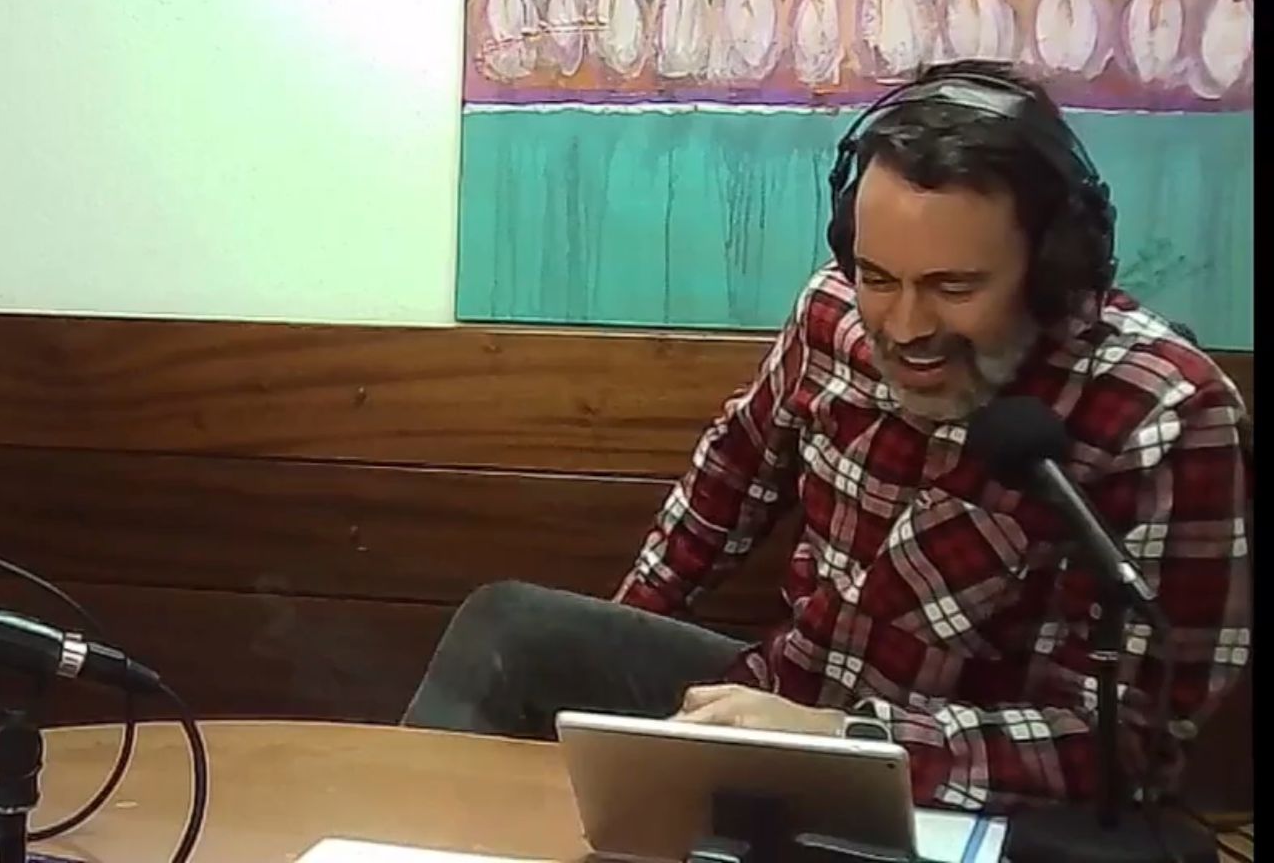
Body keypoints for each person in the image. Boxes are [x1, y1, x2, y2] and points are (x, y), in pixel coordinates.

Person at [402, 61, 1252, 813]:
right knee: (511, 631)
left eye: (954, 287)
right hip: (778, 704)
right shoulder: (832, 313)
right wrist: (620, 669)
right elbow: (731, 476)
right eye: (877, 276)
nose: (905, 327)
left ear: (1054, 264)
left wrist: (848, 739)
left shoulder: (1167, 413)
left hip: (968, 794)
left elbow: (1125, 745)